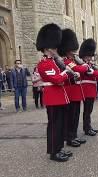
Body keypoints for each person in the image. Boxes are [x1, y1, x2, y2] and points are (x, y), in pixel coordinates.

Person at [36, 23, 72, 162]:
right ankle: (53, 152)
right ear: (47, 48)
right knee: (54, 126)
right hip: (53, 97)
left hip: (59, 97)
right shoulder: (44, 64)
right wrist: (66, 72)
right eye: (54, 47)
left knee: (61, 125)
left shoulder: (53, 62)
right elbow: (57, 79)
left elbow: (60, 78)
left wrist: (65, 70)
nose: (57, 49)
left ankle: (59, 148)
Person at [58, 28, 88, 146]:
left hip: (76, 92)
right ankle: (69, 138)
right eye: (72, 50)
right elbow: (79, 69)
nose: (74, 51)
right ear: (67, 50)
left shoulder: (73, 60)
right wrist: (84, 64)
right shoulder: (66, 61)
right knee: (71, 116)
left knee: (76, 116)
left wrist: (81, 63)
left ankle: (74, 135)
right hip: (71, 92)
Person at [79, 39, 98, 136]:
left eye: (90, 56)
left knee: (89, 110)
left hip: (92, 89)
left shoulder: (89, 65)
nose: (89, 58)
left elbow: (97, 75)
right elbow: (92, 74)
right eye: (88, 56)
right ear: (84, 56)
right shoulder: (83, 65)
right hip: (87, 89)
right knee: (87, 110)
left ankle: (89, 127)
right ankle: (87, 128)